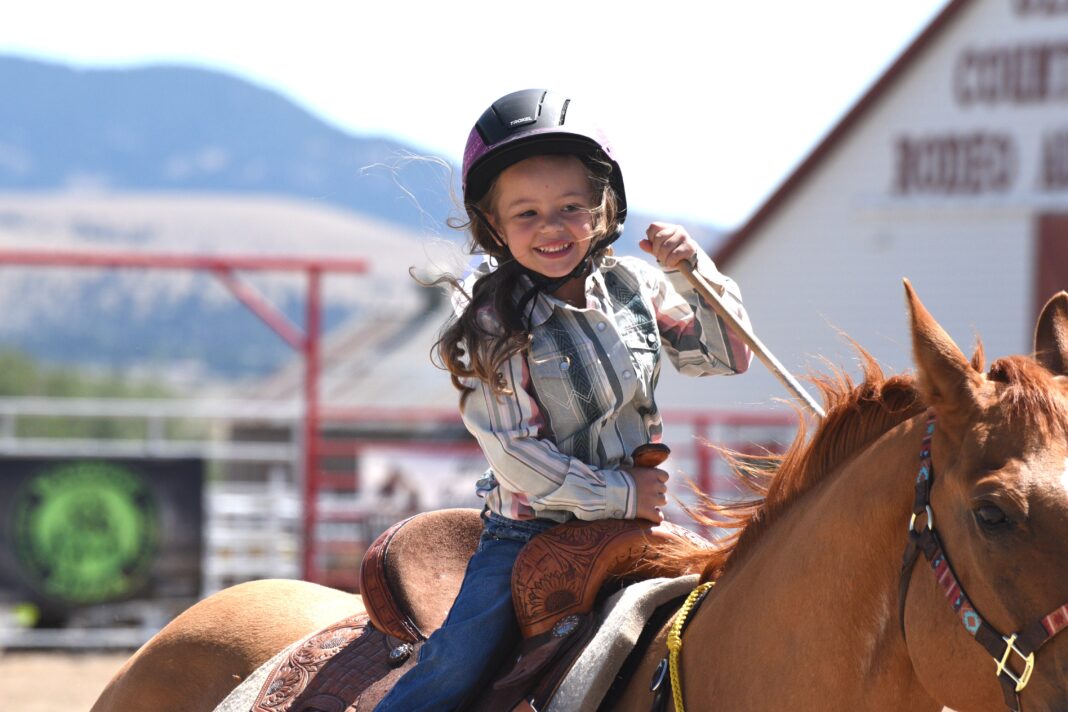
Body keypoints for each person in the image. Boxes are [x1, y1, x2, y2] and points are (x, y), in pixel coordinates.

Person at [374, 88, 753, 712]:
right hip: (529, 533)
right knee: (456, 663)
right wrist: (623, 493)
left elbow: (727, 355)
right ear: (493, 226)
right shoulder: (490, 322)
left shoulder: (636, 286)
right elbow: (516, 454)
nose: (551, 227)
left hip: (637, 523)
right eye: (526, 213)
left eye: (571, 207)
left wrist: (695, 272)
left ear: (603, 210)